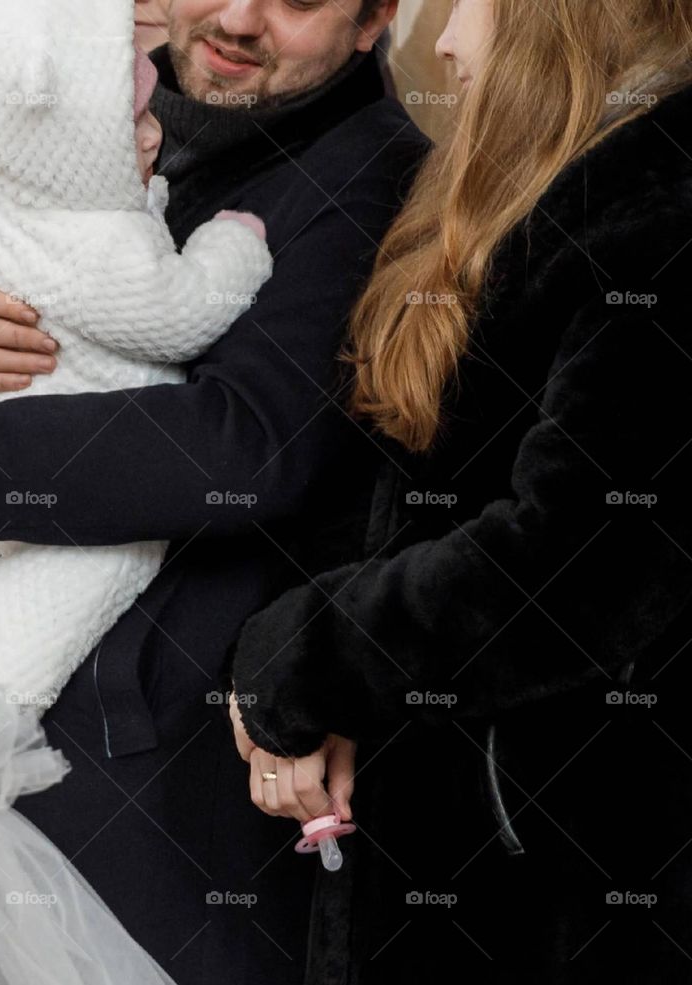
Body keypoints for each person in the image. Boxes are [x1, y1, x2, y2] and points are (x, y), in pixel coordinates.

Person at [0, 0, 428, 980]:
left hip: (175, 794)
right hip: (16, 753)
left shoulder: (372, 176)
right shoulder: (112, 117)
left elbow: (251, 443)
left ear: (375, 23)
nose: (240, 18)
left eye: (297, 1)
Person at [228, 0, 692, 981]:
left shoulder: (659, 206)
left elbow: (575, 565)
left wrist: (297, 658)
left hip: (563, 901)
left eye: (467, 1)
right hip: (450, 866)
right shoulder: (556, 192)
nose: (441, 43)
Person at [0, 0, 271, 710]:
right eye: (131, 125)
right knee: (11, 646)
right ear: (75, 140)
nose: (153, 139)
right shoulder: (109, 240)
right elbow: (186, 312)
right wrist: (232, 244)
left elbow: (239, 445)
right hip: (27, 504)